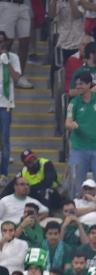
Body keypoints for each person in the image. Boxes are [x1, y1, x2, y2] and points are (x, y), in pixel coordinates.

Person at [66, 72, 96, 196]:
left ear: (88, 84)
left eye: (81, 84)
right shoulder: (73, 102)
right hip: (78, 148)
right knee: (76, 183)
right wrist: (72, 125)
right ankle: (74, 208)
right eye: (77, 84)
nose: (78, 87)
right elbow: (68, 122)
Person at [0, 33, 21, 179]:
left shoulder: (13, 57)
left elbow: (17, 78)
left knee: (4, 139)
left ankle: (3, 172)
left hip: (5, 103)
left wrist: (7, 63)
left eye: (3, 41)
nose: (1, 44)